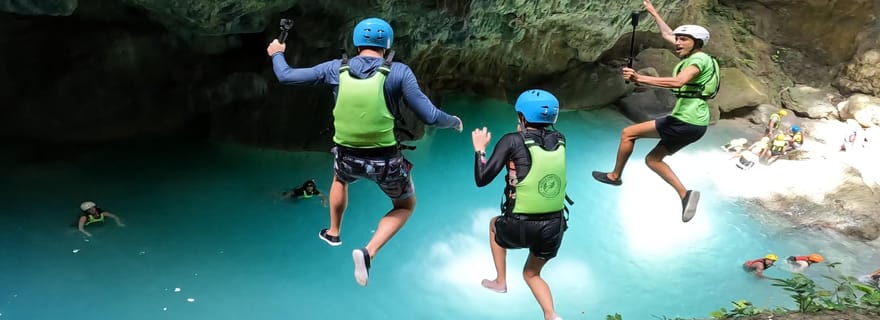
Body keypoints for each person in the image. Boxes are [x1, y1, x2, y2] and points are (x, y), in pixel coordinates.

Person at [266, 17, 463, 286]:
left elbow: (285, 75)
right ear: (387, 45)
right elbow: (430, 116)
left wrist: (277, 54)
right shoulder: (399, 72)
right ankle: (368, 253)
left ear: (357, 43)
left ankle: (334, 232)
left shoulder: (336, 69)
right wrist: (454, 121)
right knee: (405, 205)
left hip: (346, 158)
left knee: (340, 179)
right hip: (386, 162)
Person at [591, 0, 720, 223]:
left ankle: (614, 176)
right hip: (696, 124)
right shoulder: (697, 55)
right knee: (653, 160)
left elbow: (679, 82)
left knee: (628, 133)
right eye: (678, 39)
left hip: (685, 120)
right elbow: (668, 34)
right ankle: (684, 194)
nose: (677, 43)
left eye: (683, 40)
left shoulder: (698, 59)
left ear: (696, 43)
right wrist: (653, 12)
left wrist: (639, 77)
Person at [472, 89, 568, 320]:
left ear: (523, 118)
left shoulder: (511, 140)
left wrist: (479, 149)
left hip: (519, 225)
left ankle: (500, 281)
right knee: (532, 273)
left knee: (494, 224)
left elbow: (482, 179)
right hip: (554, 227)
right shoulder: (561, 139)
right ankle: (551, 314)